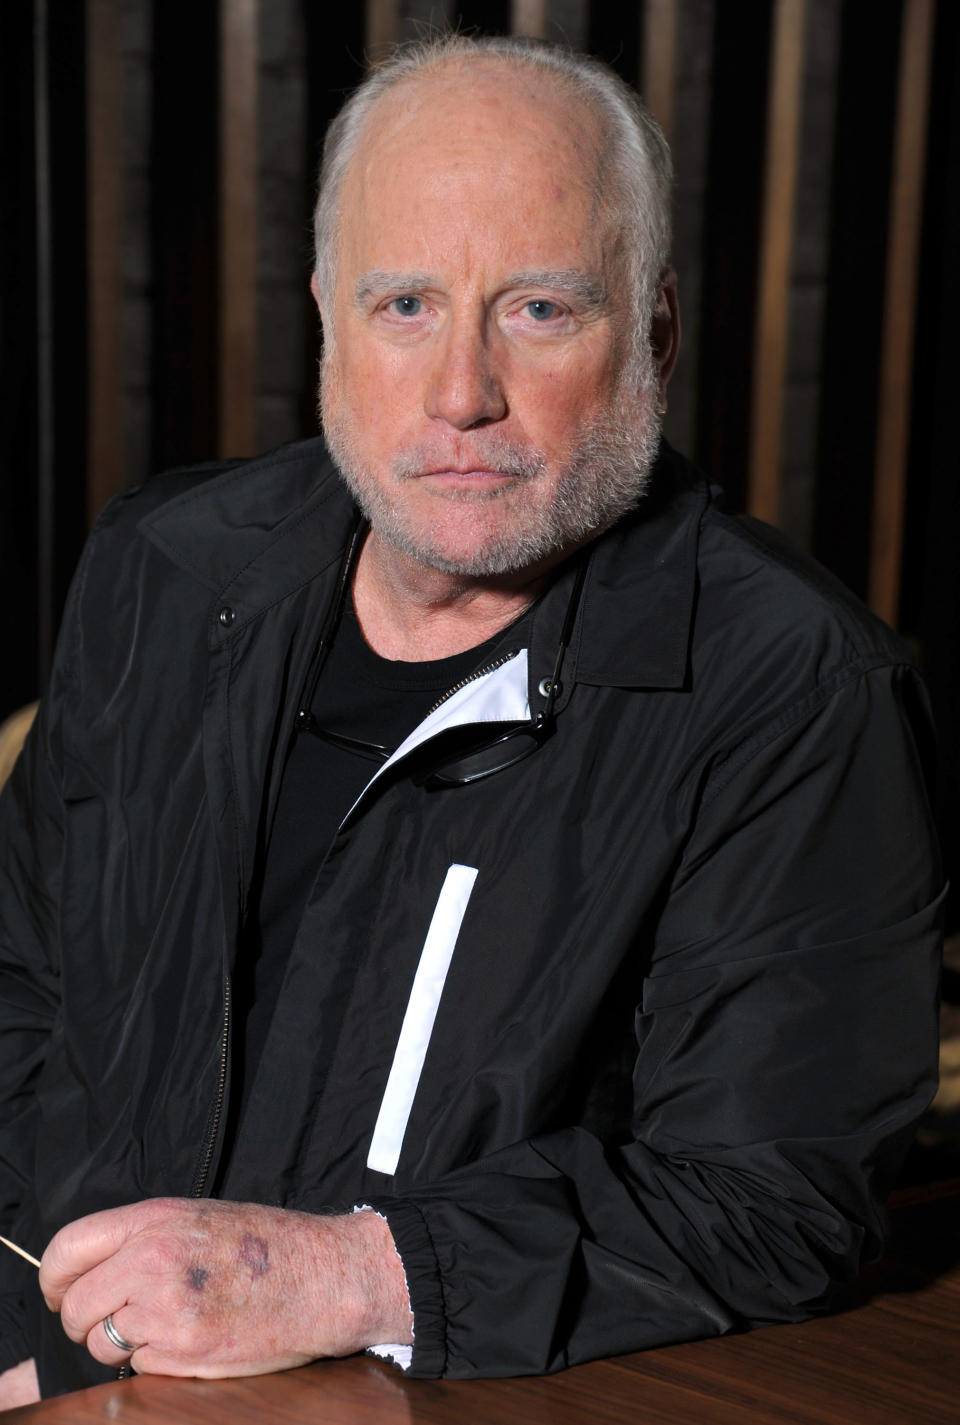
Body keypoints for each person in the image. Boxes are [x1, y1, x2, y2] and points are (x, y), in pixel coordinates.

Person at [0, 34, 943, 1405]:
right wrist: (51, 1312)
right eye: (404, 305)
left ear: (657, 329)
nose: (461, 394)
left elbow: (771, 1198)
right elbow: (24, 981)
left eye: (541, 311)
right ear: (328, 312)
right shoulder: (167, 562)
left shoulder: (791, 687)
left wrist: (346, 1276)